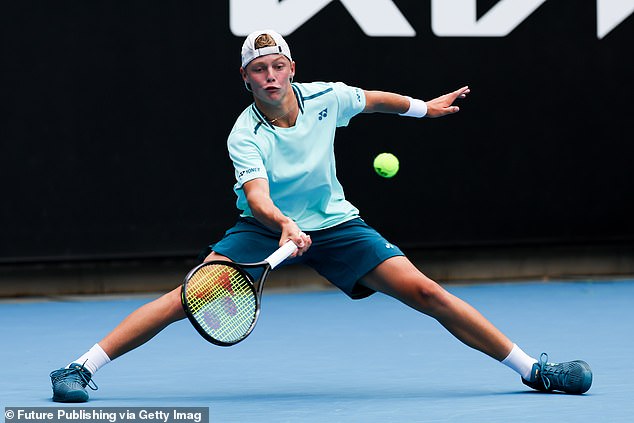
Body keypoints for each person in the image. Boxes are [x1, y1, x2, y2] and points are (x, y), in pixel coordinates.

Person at [50, 29, 592, 402]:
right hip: (263, 229)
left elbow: (376, 99)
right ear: (245, 78)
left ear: (291, 68)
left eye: (277, 66)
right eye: (257, 70)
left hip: (336, 224)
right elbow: (259, 198)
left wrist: (427, 109)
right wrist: (284, 226)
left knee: (427, 292)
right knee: (184, 299)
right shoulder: (245, 133)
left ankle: (534, 372)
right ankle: (78, 369)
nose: (270, 76)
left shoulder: (326, 97)